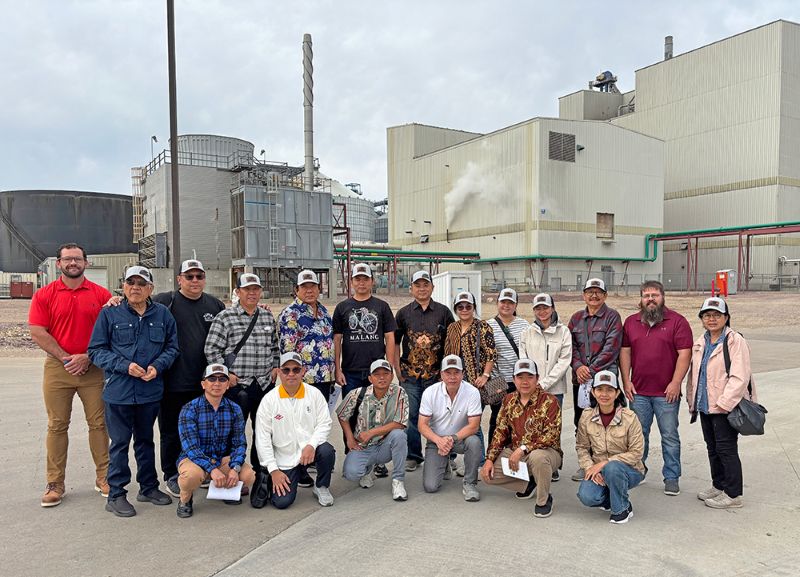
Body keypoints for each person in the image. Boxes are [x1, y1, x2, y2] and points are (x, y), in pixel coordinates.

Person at [88, 265, 179, 517]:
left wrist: (157, 367)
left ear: (150, 288)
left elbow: (172, 348)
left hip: (150, 391)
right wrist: (124, 366)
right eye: (131, 283)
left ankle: (149, 487)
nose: (135, 288)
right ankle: (116, 493)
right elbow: (96, 350)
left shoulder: (162, 315)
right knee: (119, 443)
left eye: (141, 283)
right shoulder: (109, 314)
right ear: (124, 286)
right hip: (119, 392)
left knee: (145, 441)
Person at [28, 243, 112, 508]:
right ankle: (55, 483)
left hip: (94, 367)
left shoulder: (101, 294)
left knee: (99, 424)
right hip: (58, 368)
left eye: (77, 259)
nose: (72, 263)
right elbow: (38, 331)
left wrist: (87, 357)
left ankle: (104, 476)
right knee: (57, 425)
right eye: (67, 259)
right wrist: (66, 357)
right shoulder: (45, 295)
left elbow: (111, 331)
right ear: (58, 264)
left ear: (86, 263)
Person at [151, 259, 225, 496]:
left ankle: (201, 470)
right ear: (179, 279)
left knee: (203, 430)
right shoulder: (165, 301)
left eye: (199, 276)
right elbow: (136, 306)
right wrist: (114, 301)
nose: (195, 281)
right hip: (172, 382)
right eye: (189, 276)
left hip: (205, 384)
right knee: (171, 431)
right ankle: (171, 474)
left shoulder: (215, 305)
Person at [620, 280, 692, 496]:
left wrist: (676, 382)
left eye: (655, 295)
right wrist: (626, 381)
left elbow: (685, 353)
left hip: (666, 394)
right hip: (639, 392)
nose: (650, 299)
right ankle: (637, 471)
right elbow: (625, 352)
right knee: (638, 435)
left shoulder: (677, 321)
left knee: (669, 435)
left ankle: (671, 477)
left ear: (663, 297)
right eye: (646, 295)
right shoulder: (631, 322)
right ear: (641, 299)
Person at [205, 272, 279, 471]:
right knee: (233, 433)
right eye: (247, 289)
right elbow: (211, 349)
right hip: (237, 386)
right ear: (238, 292)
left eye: (256, 289)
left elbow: (274, 346)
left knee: (263, 431)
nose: (252, 293)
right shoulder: (225, 317)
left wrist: (275, 366)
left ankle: (260, 471)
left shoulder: (266, 317)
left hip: (264, 384)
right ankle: (232, 473)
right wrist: (225, 374)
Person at [686, 297, 753, 509]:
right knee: (712, 448)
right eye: (707, 315)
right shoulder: (701, 342)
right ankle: (719, 485)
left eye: (717, 315)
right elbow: (694, 375)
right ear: (702, 319)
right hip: (705, 405)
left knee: (726, 449)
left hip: (724, 407)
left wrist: (725, 403)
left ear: (726, 317)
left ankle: (733, 495)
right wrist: (692, 400)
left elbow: (740, 376)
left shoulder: (735, 341)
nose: (712, 319)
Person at [481, 359, 562, 518]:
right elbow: (500, 431)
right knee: (487, 475)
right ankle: (528, 483)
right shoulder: (508, 399)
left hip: (546, 453)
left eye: (529, 377)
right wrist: (489, 459)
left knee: (538, 458)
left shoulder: (550, 401)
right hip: (517, 453)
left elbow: (551, 435)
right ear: (513, 379)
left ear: (537, 378)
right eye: (520, 377)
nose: (525, 381)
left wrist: (523, 449)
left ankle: (543, 500)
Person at [255, 352, 336, 509]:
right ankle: (294, 475)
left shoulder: (314, 394)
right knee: (281, 502)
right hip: (284, 458)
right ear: (279, 372)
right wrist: (273, 470)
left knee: (326, 451)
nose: (291, 374)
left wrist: (312, 445)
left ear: (303, 371)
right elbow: (262, 438)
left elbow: (325, 423)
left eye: (296, 369)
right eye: (286, 370)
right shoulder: (269, 400)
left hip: (309, 452)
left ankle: (321, 486)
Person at [175, 364, 257, 518]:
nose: (217, 383)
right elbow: (191, 447)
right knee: (190, 477)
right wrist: (212, 469)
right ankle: (185, 499)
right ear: (203, 384)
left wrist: (235, 467)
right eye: (211, 379)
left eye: (222, 379)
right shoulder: (189, 409)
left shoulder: (235, 409)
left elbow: (239, 443)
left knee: (248, 475)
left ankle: (227, 492)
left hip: (221, 459)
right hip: (195, 459)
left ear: (228, 385)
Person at [394, 270, 454, 472]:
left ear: (432, 287)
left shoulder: (444, 312)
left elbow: (452, 343)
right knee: (412, 416)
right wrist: (396, 369)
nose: (422, 288)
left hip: (437, 375)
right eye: (417, 285)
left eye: (425, 284)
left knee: (441, 416)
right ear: (411, 288)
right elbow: (394, 343)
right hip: (409, 375)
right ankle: (414, 455)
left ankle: (446, 452)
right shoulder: (403, 313)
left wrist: (447, 373)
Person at [568, 278, 623, 481]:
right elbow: (570, 347)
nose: (594, 295)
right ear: (583, 295)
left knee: (607, 422)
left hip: (604, 380)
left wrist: (590, 370)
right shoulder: (575, 319)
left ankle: (609, 466)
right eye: (589, 292)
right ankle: (586, 465)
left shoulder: (612, 317)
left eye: (598, 292)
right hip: (581, 381)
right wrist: (578, 367)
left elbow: (612, 347)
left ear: (605, 295)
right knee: (582, 422)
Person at [576, 370, 645, 524]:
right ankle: (615, 497)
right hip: (599, 471)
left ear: (617, 392)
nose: (604, 394)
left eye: (609, 390)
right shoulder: (587, 416)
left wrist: (605, 463)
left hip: (630, 470)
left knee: (612, 468)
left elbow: (636, 453)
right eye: (600, 389)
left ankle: (621, 510)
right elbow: (582, 447)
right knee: (587, 496)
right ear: (593, 392)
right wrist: (589, 468)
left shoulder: (630, 418)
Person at [337, 359, 409, 501]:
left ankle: (398, 481)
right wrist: (350, 438)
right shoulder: (358, 394)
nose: (381, 377)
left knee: (399, 435)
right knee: (351, 473)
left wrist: (371, 433)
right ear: (370, 378)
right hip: (363, 446)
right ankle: (367, 470)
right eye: (377, 374)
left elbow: (400, 423)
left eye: (385, 373)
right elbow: (341, 415)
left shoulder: (399, 393)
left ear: (391, 376)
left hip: (385, 445)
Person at [418, 355, 483, 501]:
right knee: (430, 486)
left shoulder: (472, 392)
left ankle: (470, 483)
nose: (452, 377)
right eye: (448, 373)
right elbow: (422, 425)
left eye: (456, 372)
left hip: (460, 438)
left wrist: (451, 439)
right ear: (441, 375)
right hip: (437, 440)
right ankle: (444, 463)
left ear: (463, 374)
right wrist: (439, 441)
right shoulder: (430, 392)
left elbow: (474, 426)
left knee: (474, 442)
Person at [444, 291, 496, 468]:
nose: (464, 309)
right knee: (453, 420)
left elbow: (491, 354)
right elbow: (447, 354)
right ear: (456, 309)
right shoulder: (452, 328)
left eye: (468, 306)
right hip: (454, 382)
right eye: (460, 307)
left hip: (476, 384)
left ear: (474, 308)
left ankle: (479, 461)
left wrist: (485, 375)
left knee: (473, 422)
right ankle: (450, 459)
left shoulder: (483, 326)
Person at [333, 263, 398, 397]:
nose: (361, 283)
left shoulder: (382, 306)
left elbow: (390, 337)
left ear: (372, 281)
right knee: (350, 413)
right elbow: (337, 340)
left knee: (377, 413)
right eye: (357, 279)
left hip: (377, 371)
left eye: (365, 279)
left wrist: (389, 369)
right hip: (350, 372)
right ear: (351, 282)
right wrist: (337, 370)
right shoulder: (341, 307)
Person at [278, 269, 335, 402]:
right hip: (303, 381)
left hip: (325, 378)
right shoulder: (291, 314)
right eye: (304, 287)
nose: (309, 291)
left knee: (320, 420)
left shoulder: (324, 312)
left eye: (313, 286)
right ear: (296, 289)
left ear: (319, 288)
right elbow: (287, 351)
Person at [486, 288, 529, 445]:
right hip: (496, 380)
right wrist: (492, 381)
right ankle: (492, 454)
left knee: (520, 418)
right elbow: (486, 355)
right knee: (497, 418)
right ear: (497, 303)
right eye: (503, 302)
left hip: (519, 380)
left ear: (516, 305)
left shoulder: (524, 325)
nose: (506, 305)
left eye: (510, 302)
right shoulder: (487, 325)